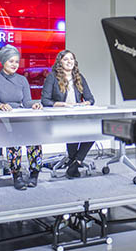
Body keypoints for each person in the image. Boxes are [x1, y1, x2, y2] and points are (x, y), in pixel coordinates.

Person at [0, 45, 43, 191]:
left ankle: (34, 173)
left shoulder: (22, 80)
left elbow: (26, 102)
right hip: (4, 119)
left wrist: (34, 105)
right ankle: (16, 174)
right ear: (3, 61)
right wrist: (2, 106)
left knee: (34, 138)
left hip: (21, 116)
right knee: (14, 140)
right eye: (11, 61)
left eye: (17, 62)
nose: (14, 65)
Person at [41, 50, 95, 179]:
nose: (69, 61)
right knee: (73, 132)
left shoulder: (79, 77)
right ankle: (74, 163)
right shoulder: (52, 77)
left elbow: (91, 99)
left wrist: (85, 103)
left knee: (94, 131)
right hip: (60, 117)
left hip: (77, 115)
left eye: (71, 59)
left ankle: (75, 162)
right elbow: (45, 101)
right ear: (60, 62)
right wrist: (62, 104)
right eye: (66, 59)